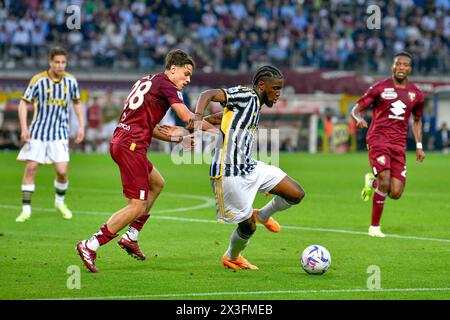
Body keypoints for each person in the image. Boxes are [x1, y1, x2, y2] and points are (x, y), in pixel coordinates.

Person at [76, 49, 215, 273]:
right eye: (186, 73)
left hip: (125, 141)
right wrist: (217, 131)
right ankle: (90, 245)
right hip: (131, 146)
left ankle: (131, 236)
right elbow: (188, 117)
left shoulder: (147, 81)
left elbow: (151, 128)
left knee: (157, 183)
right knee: (137, 205)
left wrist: (183, 137)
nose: (188, 79)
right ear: (173, 69)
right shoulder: (167, 86)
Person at [192, 65, 305, 270]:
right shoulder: (247, 95)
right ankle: (232, 256)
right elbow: (207, 94)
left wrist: (200, 124)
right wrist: (197, 119)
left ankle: (262, 214)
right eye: (276, 88)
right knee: (247, 227)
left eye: (280, 89)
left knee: (296, 193)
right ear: (262, 85)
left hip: (251, 167)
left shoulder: (255, 104)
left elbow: (222, 117)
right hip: (228, 174)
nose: (278, 93)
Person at [351, 51, 425, 238]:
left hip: (399, 145)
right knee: (385, 181)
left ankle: (372, 181)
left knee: (396, 192)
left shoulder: (416, 94)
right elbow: (357, 108)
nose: (401, 67)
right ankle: (374, 227)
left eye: (405, 65)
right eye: (397, 64)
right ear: (392, 66)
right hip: (378, 139)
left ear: (410, 68)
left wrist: (418, 145)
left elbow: (417, 120)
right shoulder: (379, 88)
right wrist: (357, 118)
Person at [15, 47, 85, 222]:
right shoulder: (38, 80)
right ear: (50, 62)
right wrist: (24, 128)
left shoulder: (71, 81)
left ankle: (59, 202)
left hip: (59, 133)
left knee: (62, 171)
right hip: (38, 132)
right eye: (57, 62)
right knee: (31, 168)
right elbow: (23, 104)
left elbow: (77, 103)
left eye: (63, 62)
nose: (60, 65)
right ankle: (26, 210)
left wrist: (81, 126)